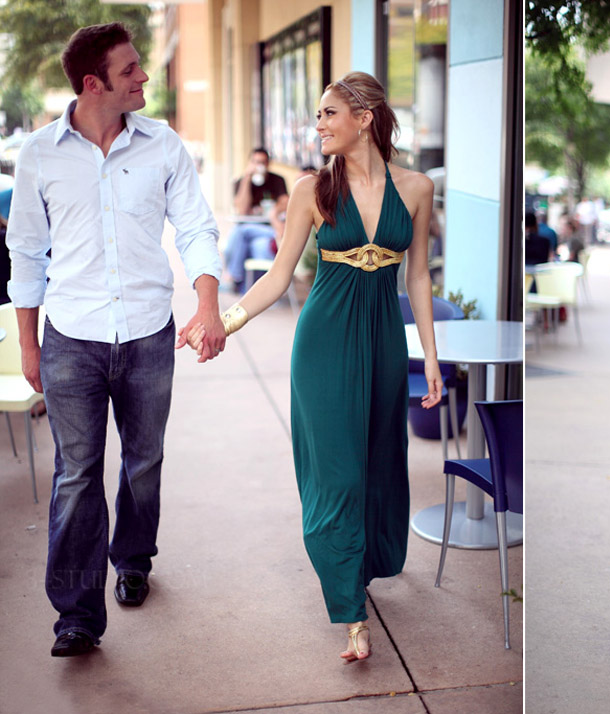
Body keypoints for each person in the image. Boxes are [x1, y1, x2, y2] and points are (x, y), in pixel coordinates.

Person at [183, 71, 442, 664]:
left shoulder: (419, 189)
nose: (318, 125)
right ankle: (351, 613)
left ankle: (366, 563)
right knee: (336, 476)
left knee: (379, 461)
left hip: (383, 342)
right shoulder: (310, 190)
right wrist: (225, 319)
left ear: (365, 118)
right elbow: (278, 276)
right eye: (319, 115)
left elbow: (420, 277)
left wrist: (428, 357)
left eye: (329, 113)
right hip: (324, 342)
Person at [5, 22, 226, 658]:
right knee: (76, 475)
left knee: (144, 460)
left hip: (149, 334)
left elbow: (195, 228)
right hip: (71, 337)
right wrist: (28, 345)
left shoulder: (163, 146)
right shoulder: (41, 155)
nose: (145, 78)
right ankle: (75, 615)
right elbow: (25, 252)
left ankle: (131, 557)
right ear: (94, 83)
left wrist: (206, 302)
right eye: (131, 70)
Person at [224, 148, 288, 292]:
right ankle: (246, 288)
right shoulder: (241, 181)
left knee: (240, 233)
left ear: (268, 164)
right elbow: (242, 210)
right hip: (251, 227)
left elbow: (285, 201)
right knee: (257, 246)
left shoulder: (277, 180)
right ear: (250, 163)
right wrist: (247, 178)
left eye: (263, 162)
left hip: (269, 227)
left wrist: (274, 211)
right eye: (256, 162)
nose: (260, 165)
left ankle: (234, 276)